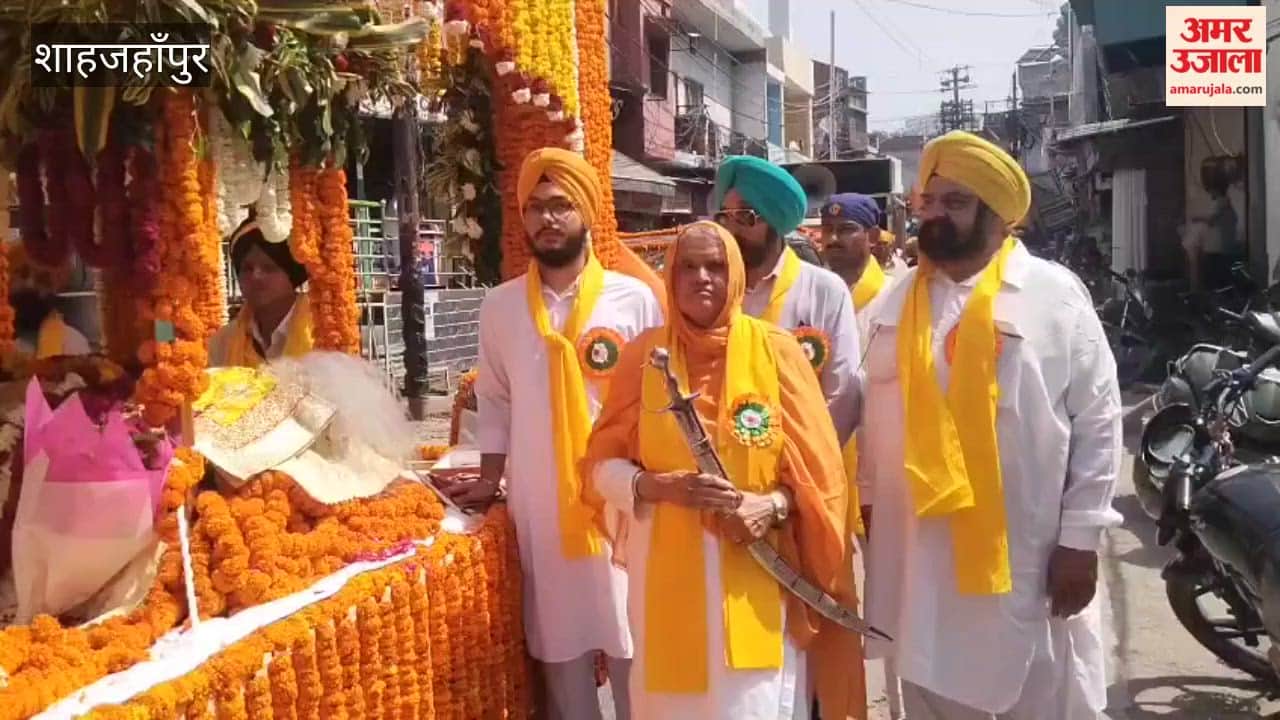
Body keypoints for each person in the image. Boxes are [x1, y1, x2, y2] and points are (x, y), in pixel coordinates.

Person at [859, 130, 1122, 720]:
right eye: (929, 202)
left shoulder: (1053, 297)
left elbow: (1098, 419)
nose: (936, 215)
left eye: (956, 202)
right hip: (914, 557)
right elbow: (860, 417)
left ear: (998, 215)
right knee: (926, 688)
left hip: (1025, 558)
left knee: (1038, 697)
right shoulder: (892, 304)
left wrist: (1081, 539)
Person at [582, 220, 865, 720]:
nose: (702, 277)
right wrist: (654, 485)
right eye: (688, 266)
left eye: (715, 265)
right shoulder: (643, 358)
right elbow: (599, 466)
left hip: (757, 578)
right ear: (670, 277)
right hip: (665, 585)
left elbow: (821, 476)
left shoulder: (776, 351)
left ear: (734, 273)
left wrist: (771, 505)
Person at [448, 147, 663, 720]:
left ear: (587, 212)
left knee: (634, 643)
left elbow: (656, 402)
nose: (548, 218)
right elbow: (494, 397)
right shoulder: (500, 307)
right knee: (559, 652)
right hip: (540, 503)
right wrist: (490, 478)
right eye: (536, 207)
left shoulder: (633, 298)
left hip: (619, 501)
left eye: (562, 204)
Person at [713, 155, 860, 445]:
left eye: (745, 216)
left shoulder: (824, 290)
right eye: (725, 216)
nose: (732, 229)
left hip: (805, 467)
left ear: (775, 220)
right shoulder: (714, 290)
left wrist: (804, 470)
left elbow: (842, 394)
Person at [208, 218, 312, 368]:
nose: (255, 276)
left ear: (292, 276)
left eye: (269, 268)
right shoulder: (224, 341)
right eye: (247, 268)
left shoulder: (321, 333)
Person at [7, 242, 90, 361]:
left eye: (43, 280)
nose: (30, 284)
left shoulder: (70, 343)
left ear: (55, 290)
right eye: (22, 273)